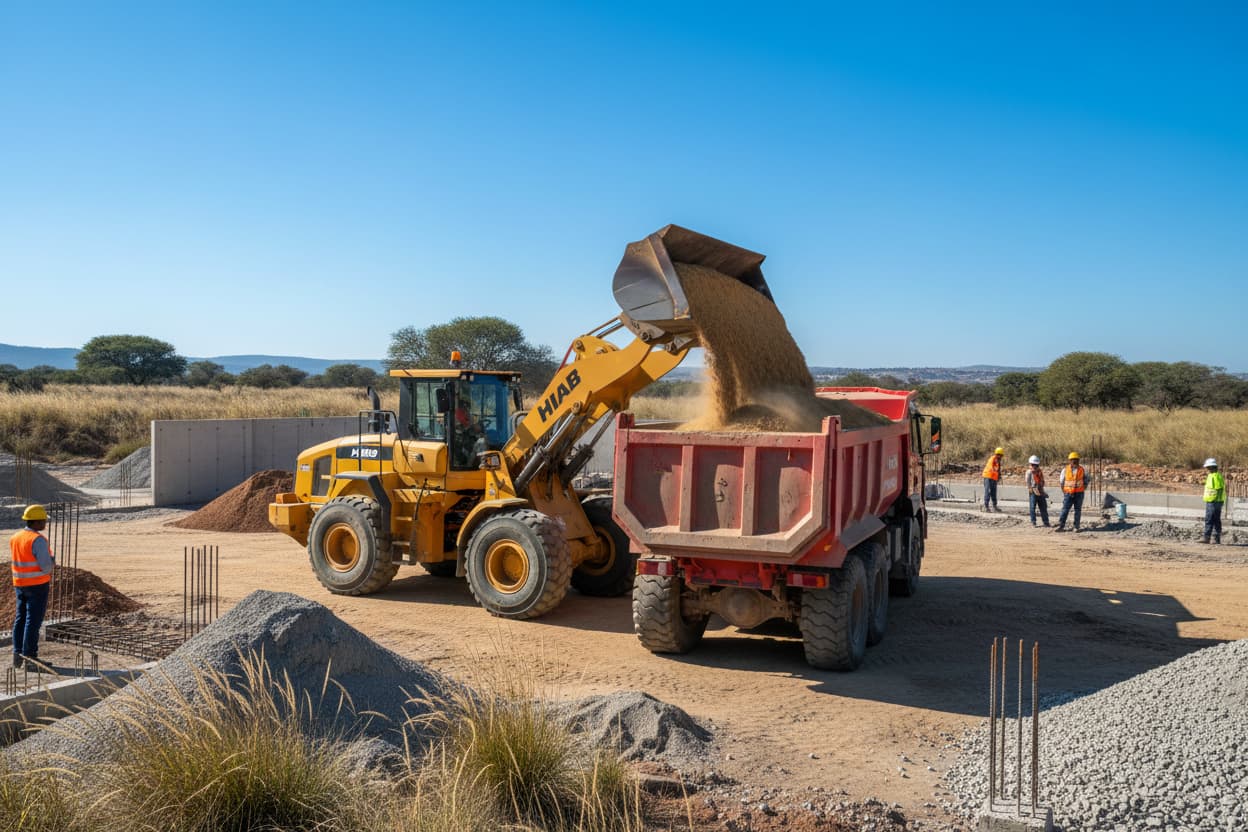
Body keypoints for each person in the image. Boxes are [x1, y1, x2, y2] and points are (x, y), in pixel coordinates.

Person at [10, 504, 53, 670]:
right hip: (37, 585)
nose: (45, 524)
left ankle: (18, 655)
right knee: (33, 621)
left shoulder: (16, 537)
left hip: (20, 584)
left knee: (20, 619)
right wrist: (52, 560)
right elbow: (46, 567)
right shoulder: (38, 539)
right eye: (43, 521)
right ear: (36, 522)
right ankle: (30, 658)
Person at [1055, 452, 1086, 533]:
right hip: (1068, 494)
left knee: (1077, 510)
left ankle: (1076, 527)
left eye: (1076, 460)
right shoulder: (1065, 470)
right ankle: (1061, 526)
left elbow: (1086, 480)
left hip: (1079, 494)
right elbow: (1062, 482)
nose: (1074, 461)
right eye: (1073, 460)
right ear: (1070, 461)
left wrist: (1082, 489)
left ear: (1078, 460)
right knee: (1065, 510)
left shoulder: (1082, 469)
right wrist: (1065, 492)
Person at [1201, 458, 1225, 544]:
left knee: (1210, 519)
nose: (1207, 469)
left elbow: (1218, 489)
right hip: (1213, 501)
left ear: (1211, 467)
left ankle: (1208, 538)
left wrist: (1215, 500)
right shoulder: (1212, 475)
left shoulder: (1215, 476)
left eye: (1208, 467)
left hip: (1214, 501)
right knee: (1215, 519)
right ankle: (1215, 538)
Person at [1026, 455, 1050, 527]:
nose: (1035, 466)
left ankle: (1046, 522)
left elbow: (1042, 481)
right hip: (1033, 491)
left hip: (1040, 490)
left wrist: (1043, 491)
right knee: (1032, 507)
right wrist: (1030, 489)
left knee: (1043, 507)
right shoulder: (1029, 472)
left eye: (1036, 465)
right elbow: (1028, 482)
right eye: (1033, 465)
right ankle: (1033, 522)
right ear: (1031, 464)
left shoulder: (1039, 472)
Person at [982, 447, 1004, 512]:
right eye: (999, 455)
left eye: (1001, 455)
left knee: (994, 492)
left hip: (993, 478)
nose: (1000, 457)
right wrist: (995, 471)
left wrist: (999, 476)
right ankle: (985, 506)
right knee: (988, 491)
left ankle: (995, 506)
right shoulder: (992, 459)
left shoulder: (998, 461)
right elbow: (991, 467)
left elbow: (998, 470)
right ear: (996, 454)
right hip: (988, 476)